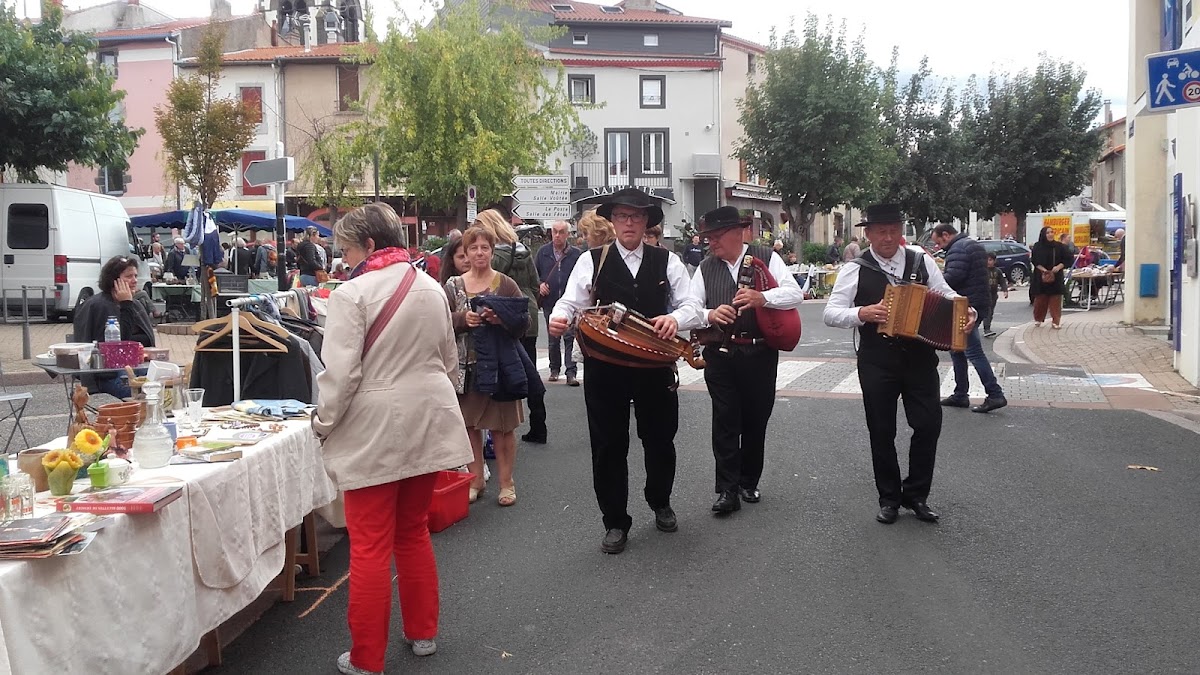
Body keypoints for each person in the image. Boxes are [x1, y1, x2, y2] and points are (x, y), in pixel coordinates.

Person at [313, 202, 472, 675]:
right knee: (413, 531)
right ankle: (423, 632)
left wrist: (321, 424)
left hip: (374, 428)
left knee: (369, 546)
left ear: (367, 246)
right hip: (427, 420)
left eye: (345, 248)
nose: (343, 259)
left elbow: (339, 378)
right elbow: (448, 362)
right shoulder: (430, 286)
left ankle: (367, 658)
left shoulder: (351, 294)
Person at [549, 187, 703, 554]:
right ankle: (615, 521)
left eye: (636, 216)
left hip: (654, 365)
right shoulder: (592, 260)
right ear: (613, 221)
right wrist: (559, 317)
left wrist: (674, 317)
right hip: (606, 368)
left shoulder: (667, 261)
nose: (629, 222)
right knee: (607, 446)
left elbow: (693, 305)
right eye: (622, 216)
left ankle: (660, 500)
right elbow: (572, 301)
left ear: (647, 221)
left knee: (661, 439)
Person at [822, 204, 975, 525]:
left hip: (920, 358)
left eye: (893, 230)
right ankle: (889, 498)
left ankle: (916, 495)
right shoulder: (856, 268)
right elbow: (831, 312)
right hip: (877, 360)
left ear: (901, 230)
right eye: (881, 231)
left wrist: (965, 311)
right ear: (869, 234)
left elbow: (945, 294)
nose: (888, 237)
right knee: (881, 430)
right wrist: (861, 313)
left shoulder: (922, 261)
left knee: (928, 425)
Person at [686, 206, 803, 513]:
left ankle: (748, 481)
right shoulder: (705, 267)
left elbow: (794, 293)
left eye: (715, 236)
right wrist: (709, 314)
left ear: (737, 233)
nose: (710, 242)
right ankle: (727, 489)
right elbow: (690, 307)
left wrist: (762, 298)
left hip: (760, 352)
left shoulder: (767, 256)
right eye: (707, 237)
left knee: (755, 418)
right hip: (720, 354)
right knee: (725, 419)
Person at [445, 226, 530, 507]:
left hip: (500, 367)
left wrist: (501, 320)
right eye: (473, 248)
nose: (479, 253)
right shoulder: (453, 286)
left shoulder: (506, 284)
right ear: (465, 253)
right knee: (470, 427)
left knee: (502, 428)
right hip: (465, 368)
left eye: (484, 248)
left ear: (492, 251)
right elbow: (440, 322)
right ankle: (476, 480)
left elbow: (523, 324)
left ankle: (507, 483)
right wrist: (462, 320)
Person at [474, 209, 547, 445]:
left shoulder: (494, 256)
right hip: (529, 314)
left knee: (506, 370)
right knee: (530, 371)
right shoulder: (523, 251)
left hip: (504, 316)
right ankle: (539, 425)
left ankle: (500, 430)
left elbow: (487, 282)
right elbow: (535, 284)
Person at [930, 224, 1007, 413]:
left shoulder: (958, 249)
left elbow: (953, 277)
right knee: (957, 349)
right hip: (978, 302)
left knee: (973, 352)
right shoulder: (972, 245)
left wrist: (936, 278)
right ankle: (960, 394)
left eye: (939, 242)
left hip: (966, 306)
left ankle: (995, 394)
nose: (939, 246)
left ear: (946, 235)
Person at [73, 256, 156, 399]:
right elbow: (118, 344)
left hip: (137, 366)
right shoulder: (99, 305)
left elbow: (148, 341)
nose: (135, 280)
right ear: (114, 281)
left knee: (164, 384)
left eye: (135, 276)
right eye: (129, 276)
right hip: (108, 374)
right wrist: (126, 306)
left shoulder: (135, 305)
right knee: (145, 392)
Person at [534, 220, 582, 385]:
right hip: (550, 301)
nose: (557, 235)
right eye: (555, 231)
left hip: (571, 303)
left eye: (561, 232)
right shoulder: (543, 252)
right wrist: (540, 285)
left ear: (567, 234)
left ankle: (571, 372)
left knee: (570, 337)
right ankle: (554, 369)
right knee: (553, 337)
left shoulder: (575, 254)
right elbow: (535, 274)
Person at [1030, 226, 1068, 329]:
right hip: (1041, 276)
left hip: (1056, 277)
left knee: (1055, 300)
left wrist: (1059, 267)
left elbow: (1067, 260)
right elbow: (1034, 261)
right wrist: (1044, 270)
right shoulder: (1038, 246)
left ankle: (1056, 321)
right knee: (1040, 300)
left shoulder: (1059, 246)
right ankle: (1038, 318)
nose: (1050, 234)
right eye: (1048, 233)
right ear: (1043, 234)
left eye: (1052, 232)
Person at [982, 252, 1009, 338]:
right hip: (985, 294)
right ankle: (986, 329)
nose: (988, 262)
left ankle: (987, 327)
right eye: (987, 260)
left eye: (990, 260)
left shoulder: (997, 271)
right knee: (988, 311)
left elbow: (1002, 281)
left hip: (994, 294)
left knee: (991, 311)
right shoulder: (982, 271)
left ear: (994, 261)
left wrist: (1005, 290)